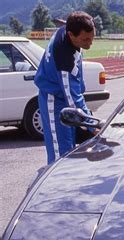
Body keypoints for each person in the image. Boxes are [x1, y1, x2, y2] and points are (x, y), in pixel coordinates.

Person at [34, 11, 96, 165]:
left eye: (92, 37)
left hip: (66, 96)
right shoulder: (64, 62)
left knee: (71, 149)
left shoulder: (67, 27)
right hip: (54, 101)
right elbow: (73, 101)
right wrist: (92, 126)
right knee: (60, 154)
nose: (90, 43)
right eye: (85, 39)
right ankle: (56, 187)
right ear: (71, 35)